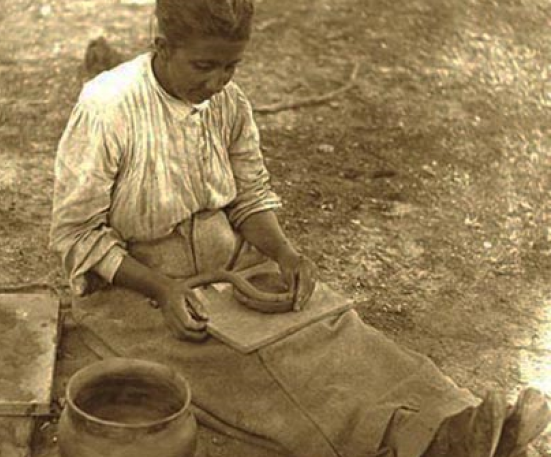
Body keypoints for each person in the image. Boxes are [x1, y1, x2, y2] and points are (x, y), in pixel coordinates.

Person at [49, 0, 550, 455]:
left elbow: (250, 198)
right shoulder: (107, 106)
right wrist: (164, 287)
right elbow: (78, 233)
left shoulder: (230, 104)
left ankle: (459, 416)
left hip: (230, 264)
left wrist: (286, 254)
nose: (218, 81)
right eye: (203, 65)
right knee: (259, 363)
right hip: (137, 292)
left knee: (331, 328)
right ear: (162, 45)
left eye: (231, 65)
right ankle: (421, 442)